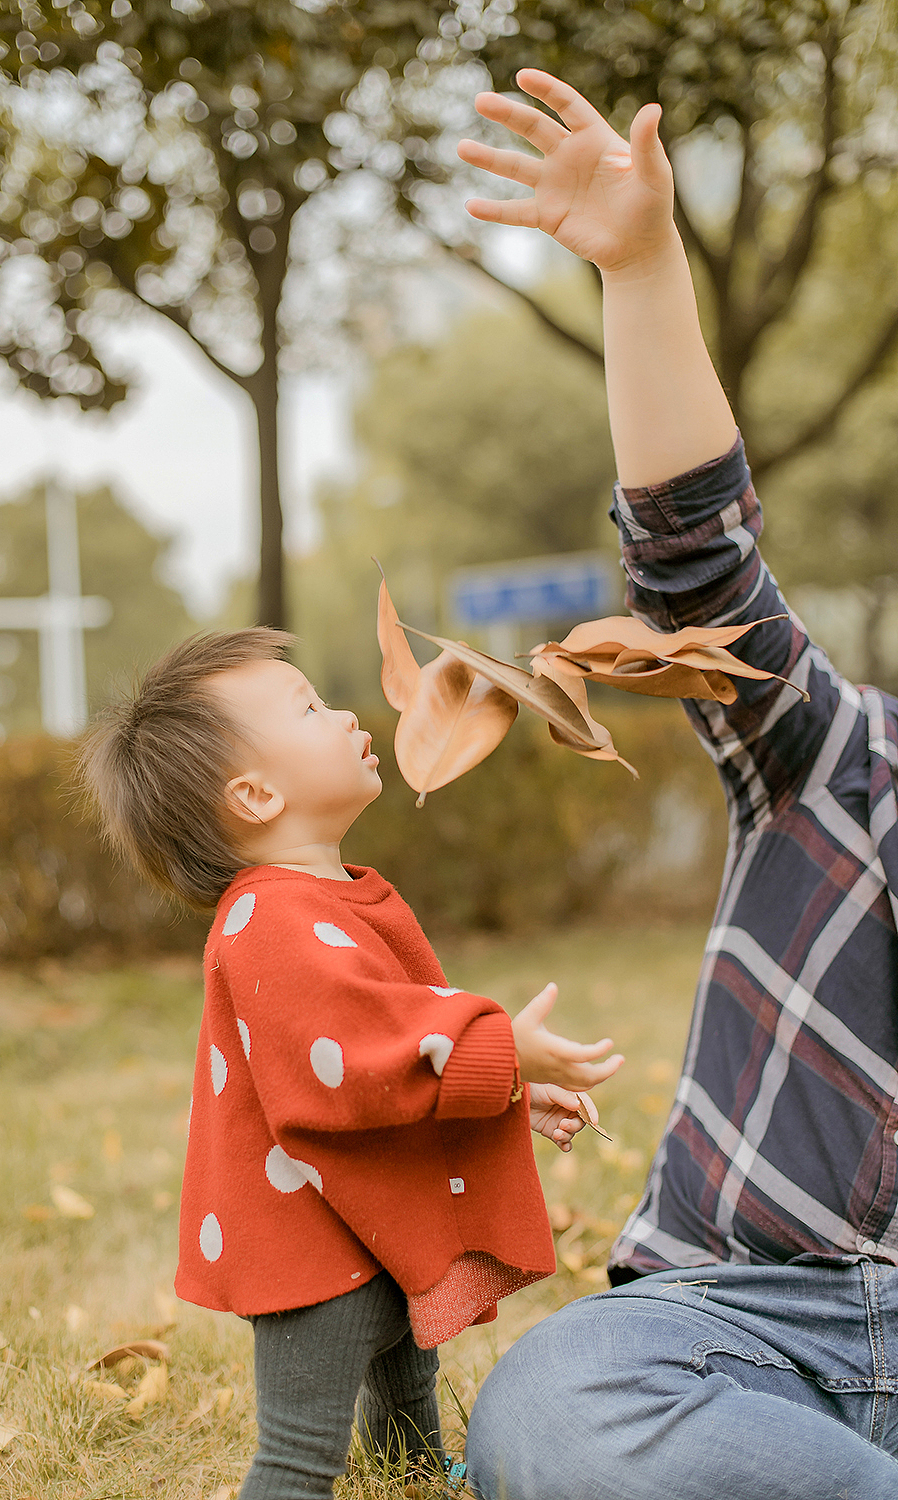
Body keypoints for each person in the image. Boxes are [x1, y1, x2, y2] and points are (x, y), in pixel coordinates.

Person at [456, 69, 898, 1500]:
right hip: (745, 1323)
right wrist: (642, 270)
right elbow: (696, 562)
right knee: (555, 1402)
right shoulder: (837, 759)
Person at [79, 630, 623, 1498]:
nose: (343, 715)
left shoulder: (323, 900)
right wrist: (496, 1050)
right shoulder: (269, 921)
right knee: (301, 1452)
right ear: (256, 795)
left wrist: (510, 1091)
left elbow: (385, 1072)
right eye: (309, 708)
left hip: (367, 1214)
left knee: (406, 1367)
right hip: (312, 1244)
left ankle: (412, 1468)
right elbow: (354, 1056)